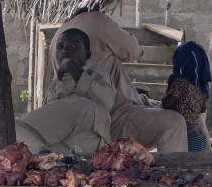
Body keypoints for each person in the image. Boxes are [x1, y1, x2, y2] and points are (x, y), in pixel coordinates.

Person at [50, 9, 187, 153]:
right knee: (174, 122)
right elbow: (133, 51)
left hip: (80, 124)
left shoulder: (58, 37)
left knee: (155, 103)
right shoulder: (96, 20)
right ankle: (174, 172)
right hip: (110, 122)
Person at [16, 29, 113, 155]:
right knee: (20, 133)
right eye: (60, 46)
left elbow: (107, 102)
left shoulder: (95, 72)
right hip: (80, 141)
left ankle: (40, 155)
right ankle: (43, 156)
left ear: (87, 54)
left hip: (88, 121)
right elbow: (51, 111)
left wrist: (74, 70)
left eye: (73, 45)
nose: (65, 50)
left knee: (15, 130)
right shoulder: (57, 80)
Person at [161, 41, 211, 152]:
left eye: (175, 61)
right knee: (194, 164)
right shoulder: (202, 87)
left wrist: (170, 86)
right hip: (199, 134)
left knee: (181, 163)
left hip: (186, 134)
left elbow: (166, 104)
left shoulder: (180, 82)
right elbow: (203, 109)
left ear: (182, 63)